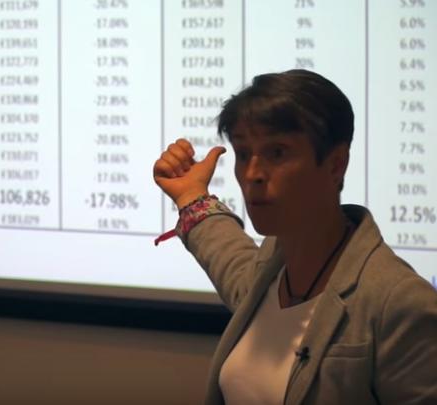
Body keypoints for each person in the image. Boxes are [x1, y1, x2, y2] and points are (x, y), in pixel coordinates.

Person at [153, 69, 437, 404]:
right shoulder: (272, 266)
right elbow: (228, 256)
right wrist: (190, 195)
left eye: (277, 153)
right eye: (243, 154)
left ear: (336, 164)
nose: (253, 174)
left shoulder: (399, 302)